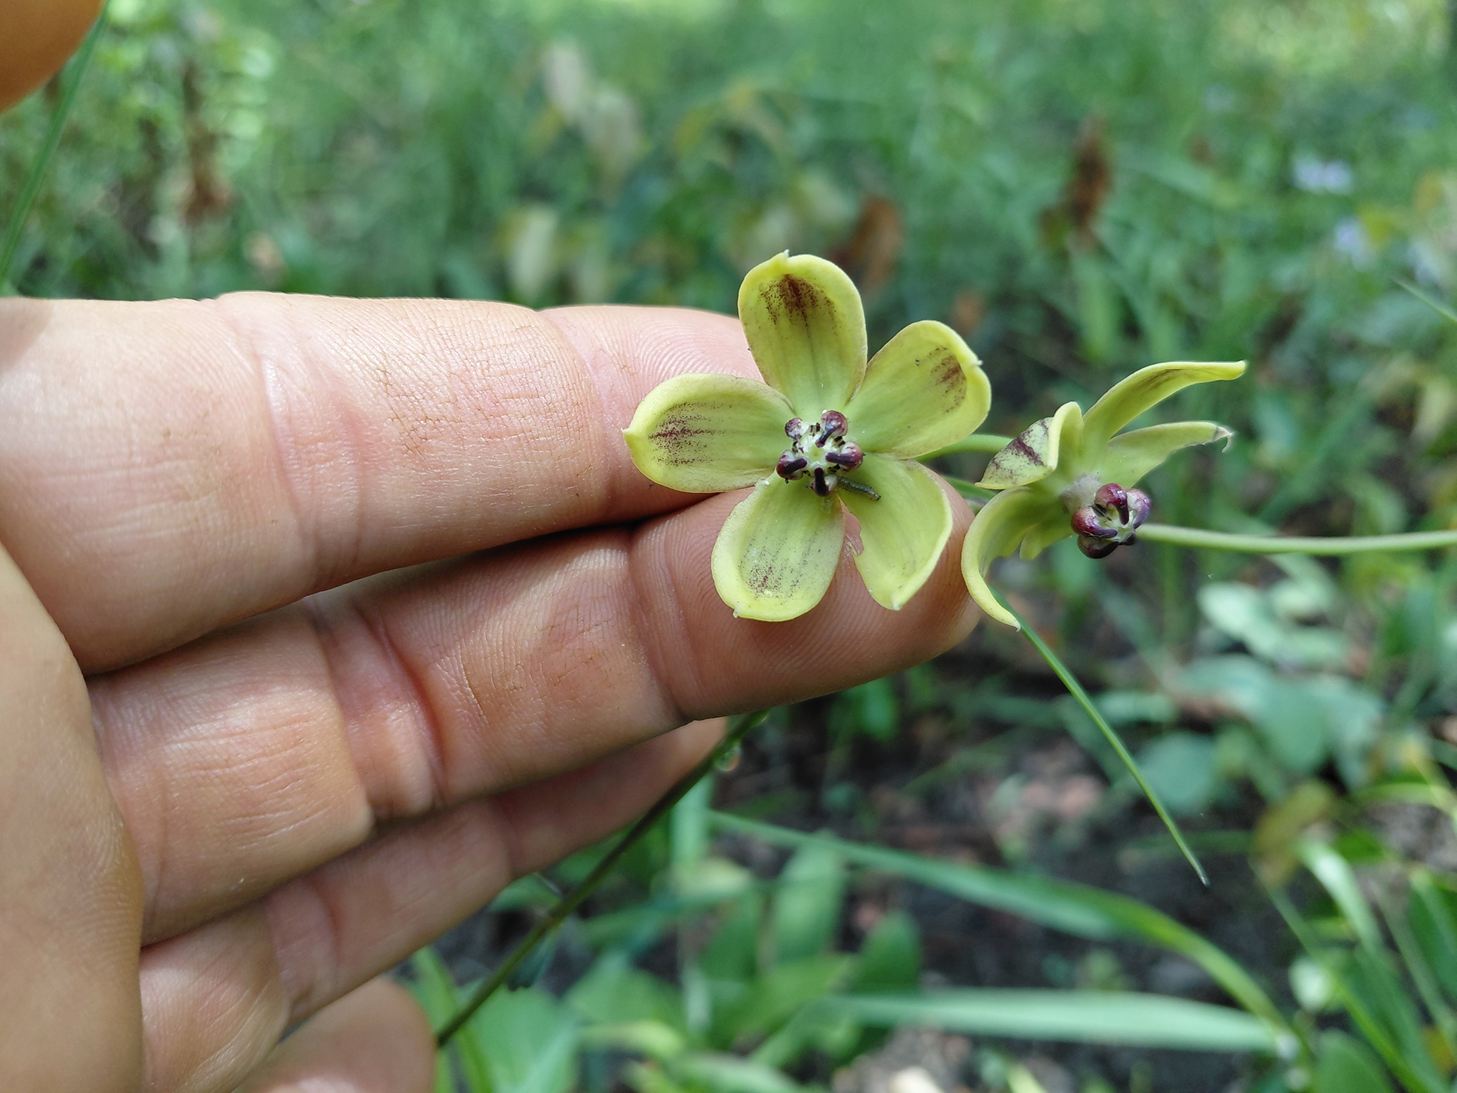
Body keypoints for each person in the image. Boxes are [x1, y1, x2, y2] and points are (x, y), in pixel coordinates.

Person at [1, 292, 978, 1090]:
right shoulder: (750, 467)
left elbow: (883, 539)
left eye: (822, 448)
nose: (815, 449)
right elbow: (678, 444)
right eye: (810, 445)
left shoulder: (884, 507)